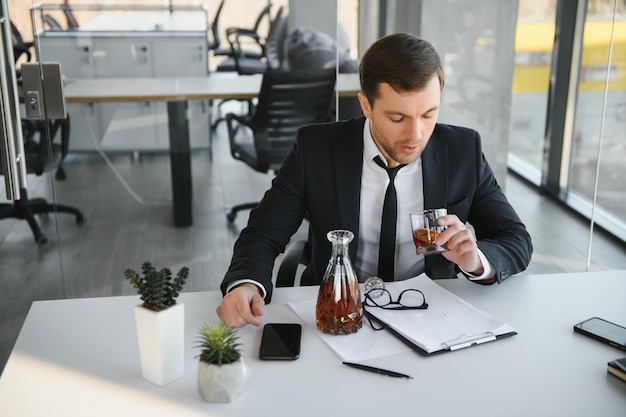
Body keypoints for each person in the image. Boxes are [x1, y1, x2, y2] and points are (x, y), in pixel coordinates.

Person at [217, 33, 533, 328]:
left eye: (428, 114)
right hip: (339, 312)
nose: (416, 135)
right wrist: (246, 283)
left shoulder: (463, 150)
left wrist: (475, 259)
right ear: (366, 105)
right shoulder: (316, 149)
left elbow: (515, 238)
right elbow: (263, 233)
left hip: (429, 313)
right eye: (398, 118)